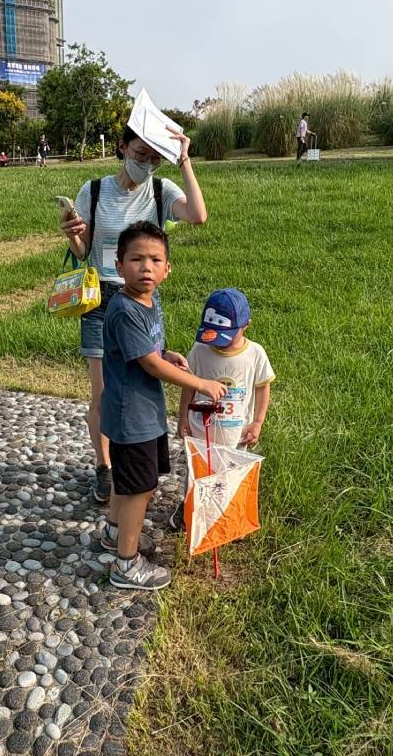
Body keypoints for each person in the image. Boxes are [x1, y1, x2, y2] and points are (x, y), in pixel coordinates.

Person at [71, 224, 223, 592]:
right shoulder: (124, 309)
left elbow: (151, 351)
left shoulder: (150, 301)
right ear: (118, 266)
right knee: (139, 488)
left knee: (128, 480)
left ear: (167, 268)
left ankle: (114, 532)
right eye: (136, 259)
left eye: (155, 260)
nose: (146, 267)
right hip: (132, 415)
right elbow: (149, 365)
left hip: (143, 411)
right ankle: (127, 564)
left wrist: (166, 353)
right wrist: (200, 383)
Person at [58, 131, 207, 493]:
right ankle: (105, 466)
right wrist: (71, 232)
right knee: (104, 392)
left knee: (141, 385)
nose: (147, 164)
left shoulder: (160, 190)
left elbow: (197, 215)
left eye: (155, 158)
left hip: (142, 301)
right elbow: (83, 250)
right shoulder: (94, 190)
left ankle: (137, 462)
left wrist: (183, 160)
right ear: (122, 148)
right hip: (101, 300)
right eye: (141, 154)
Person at [180, 288, 278, 461]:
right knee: (199, 473)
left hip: (237, 435)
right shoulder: (200, 349)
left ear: (246, 325)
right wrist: (183, 417)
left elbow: (263, 387)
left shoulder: (255, 353)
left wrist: (258, 422)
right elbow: (189, 385)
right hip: (199, 434)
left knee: (230, 475)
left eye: (224, 336)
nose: (217, 341)